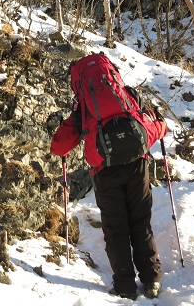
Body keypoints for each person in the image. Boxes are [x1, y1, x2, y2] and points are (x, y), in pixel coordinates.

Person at [50, 78, 167, 301]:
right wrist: (161, 126)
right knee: (140, 221)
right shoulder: (125, 95)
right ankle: (152, 279)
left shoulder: (83, 106)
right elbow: (149, 125)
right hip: (137, 165)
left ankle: (125, 286)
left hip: (105, 171)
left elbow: (59, 146)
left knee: (115, 227)